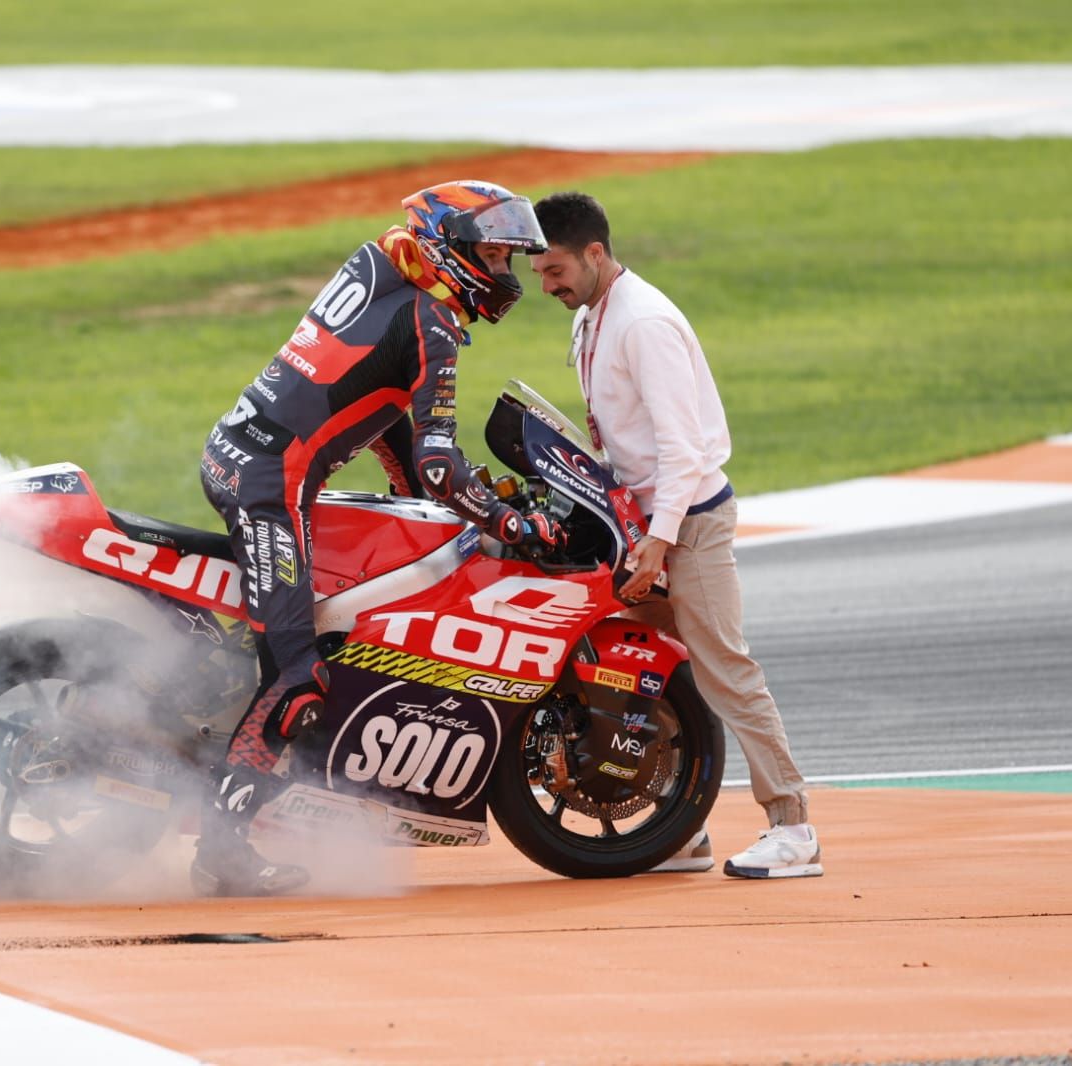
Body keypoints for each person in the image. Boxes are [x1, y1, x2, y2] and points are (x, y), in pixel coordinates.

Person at [192, 180, 563, 896]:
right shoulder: (434, 321)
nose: (504, 276)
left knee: (318, 613)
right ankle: (221, 851)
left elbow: (374, 397)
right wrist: (507, 521)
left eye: (509, 259)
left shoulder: (379, 265)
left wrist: (421, 494)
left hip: (237, 453)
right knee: (298, 676)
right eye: (492, 255)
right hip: (269, 484)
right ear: (450, 249)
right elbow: (434, 456)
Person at [529, 190, 822, 879]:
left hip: (687, 523)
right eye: (539, 273)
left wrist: (657, 544)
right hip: (645, 524)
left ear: (594, 253)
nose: (545, 285)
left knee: (723, 668)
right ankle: (677, 830)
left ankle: (793, 828)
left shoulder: (643, 323)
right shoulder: (595, 315)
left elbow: (683, 449)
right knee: (647, 670)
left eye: (553, 271)